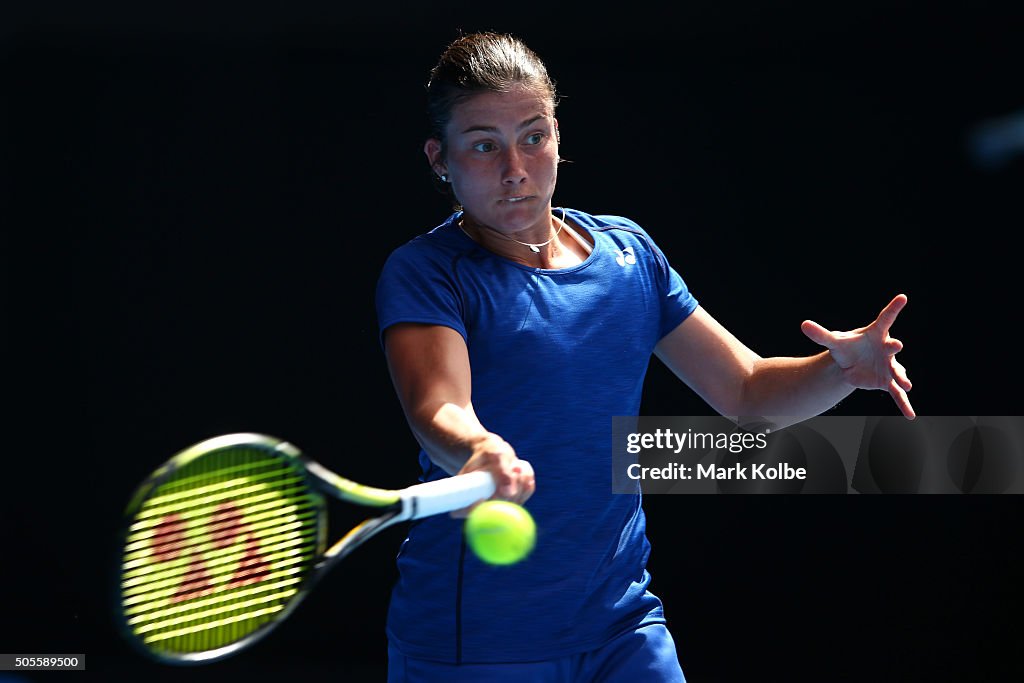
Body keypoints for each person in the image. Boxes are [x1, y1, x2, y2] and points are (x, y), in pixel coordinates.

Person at [374, 31, 914, 682]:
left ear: (557, 135)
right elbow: (437, 405)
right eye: (484, 145)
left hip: (621, 627)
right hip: (475, 642)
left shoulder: (629, 254)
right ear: (441, 159)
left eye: (534, 136)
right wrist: (477, 449)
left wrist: (839, 370)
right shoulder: (427, 272)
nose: (516, 167)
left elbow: (746, 391)